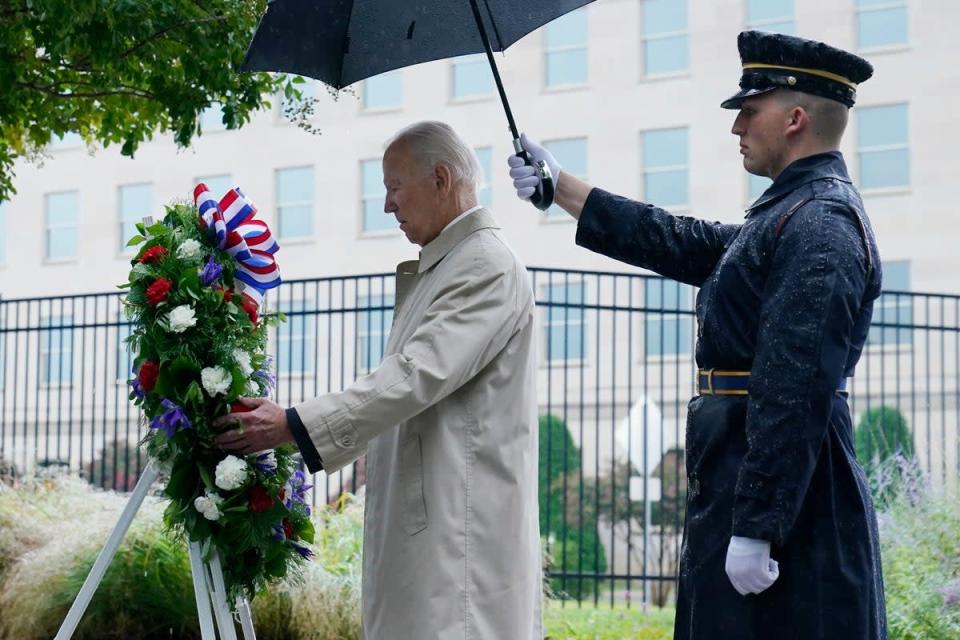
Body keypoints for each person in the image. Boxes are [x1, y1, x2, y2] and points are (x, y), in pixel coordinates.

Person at [508, 31, 886, 640]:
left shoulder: (820, 223)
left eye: (748, 110)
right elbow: (677, 239)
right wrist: (562, 186)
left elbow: (795, 385)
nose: (736, 126)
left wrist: (760, 523)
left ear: (794, 119)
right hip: (744, 475)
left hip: (791, 506)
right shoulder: (787, 213)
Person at [216, 121, 543, 639]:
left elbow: (413, 375)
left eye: (394, 186)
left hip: (460, 540)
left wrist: (294, 424)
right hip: (439, 527)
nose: (388, 205)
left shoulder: (485, 265)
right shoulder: (451, 265)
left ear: (440, 179)